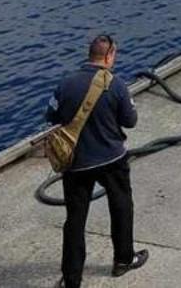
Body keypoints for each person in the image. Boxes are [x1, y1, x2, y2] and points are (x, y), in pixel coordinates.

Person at [45, 35, 145, 288]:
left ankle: (71, 280)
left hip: (77, 163)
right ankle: (123, 259)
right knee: (121, 205)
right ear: (109, 56)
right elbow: (130, 121)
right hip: (112, 158)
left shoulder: (65, 84)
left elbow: (51, 116)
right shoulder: (117, 85)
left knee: (75, 220)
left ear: (90, 55)